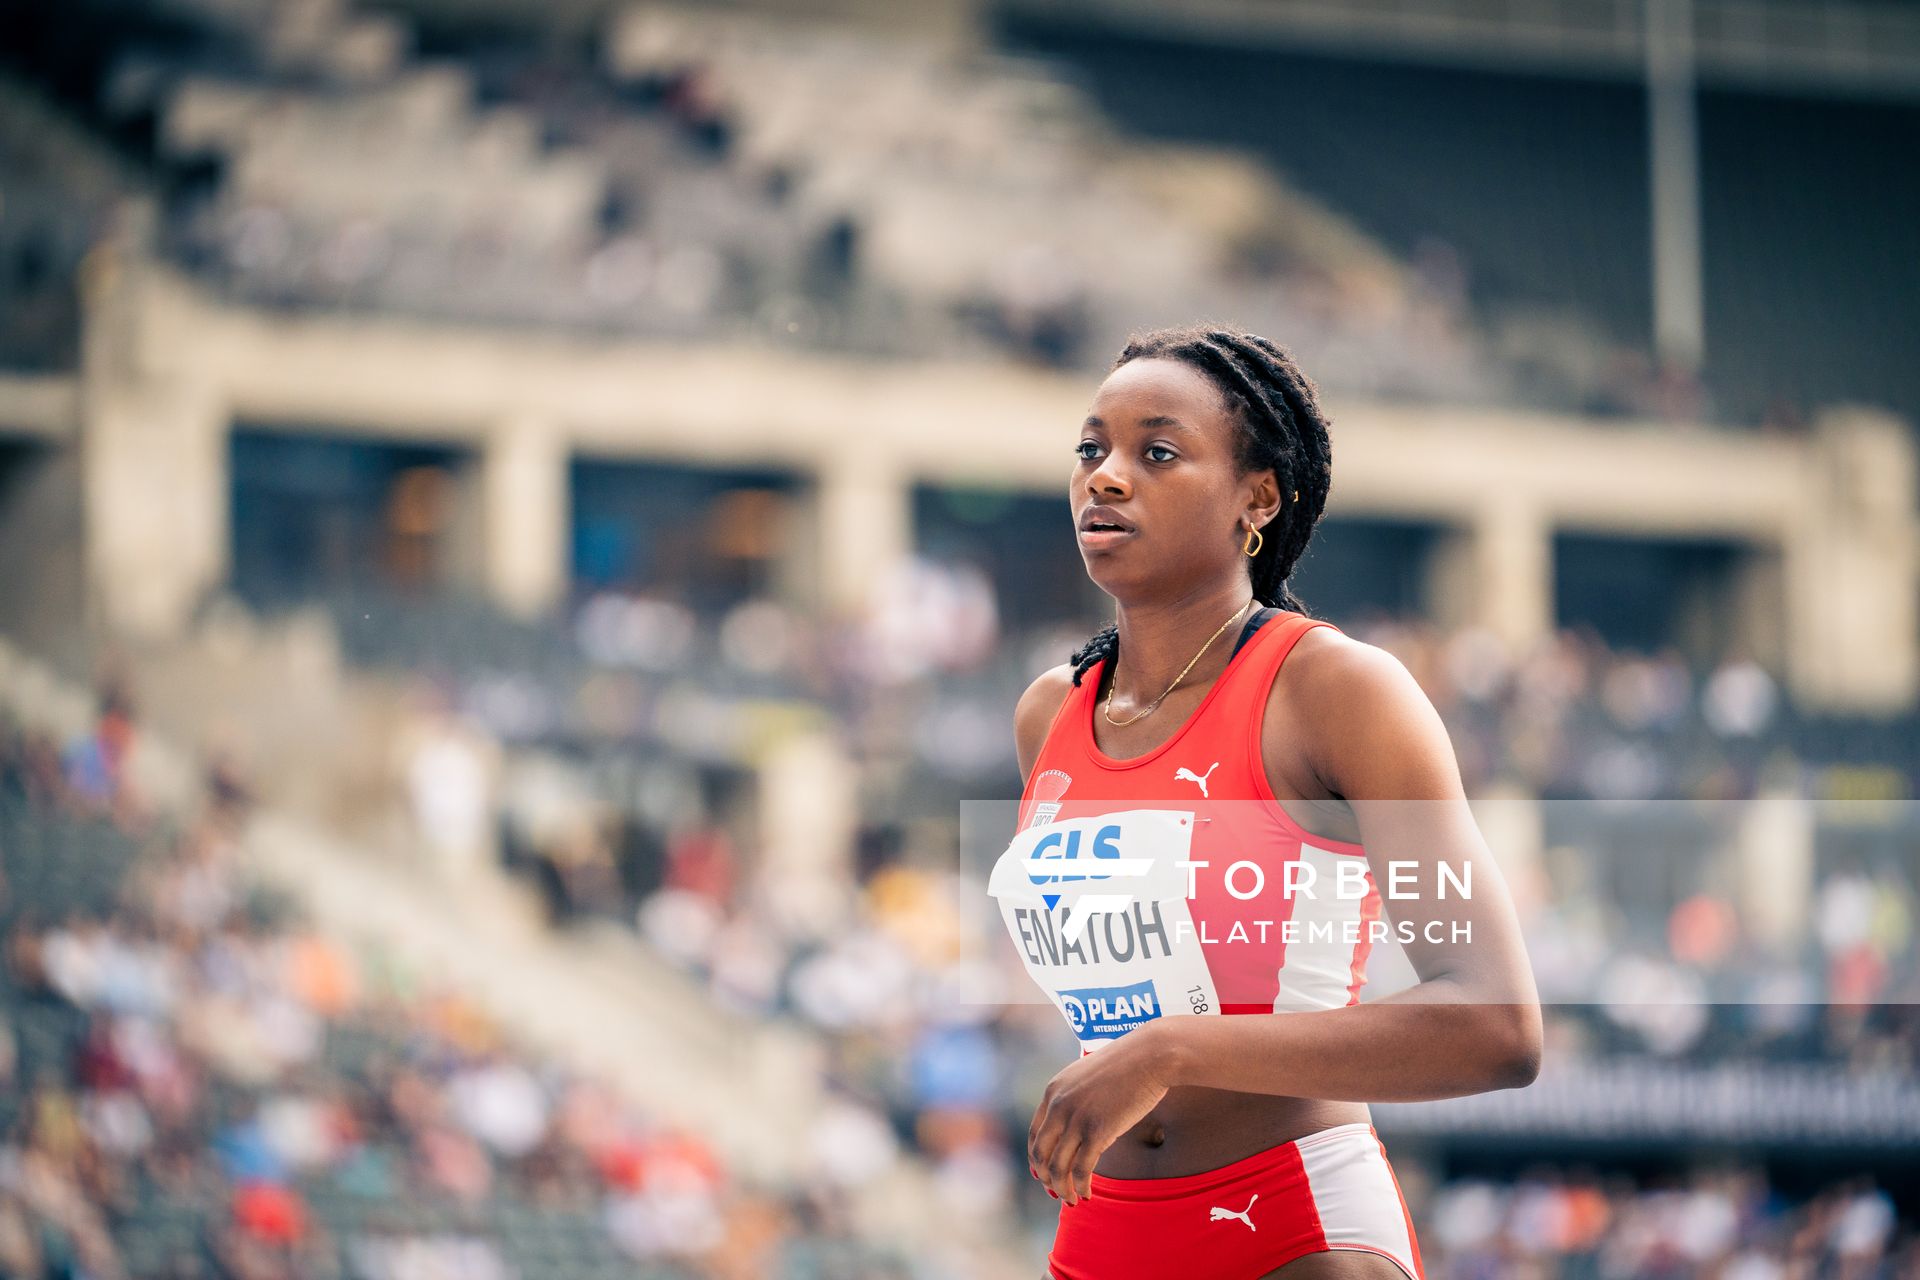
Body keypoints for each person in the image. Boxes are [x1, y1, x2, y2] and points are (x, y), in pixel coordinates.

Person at [994, 325, 1542, 1279]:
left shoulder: (1339, 692)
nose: (1107, 477)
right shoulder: (1050, 714)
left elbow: (1495, 1027)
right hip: (1102, 1234)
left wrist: (1168, 1051)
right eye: (1092, 449)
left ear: (1258, 497)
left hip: (1294, 1232)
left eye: (1157, 452)